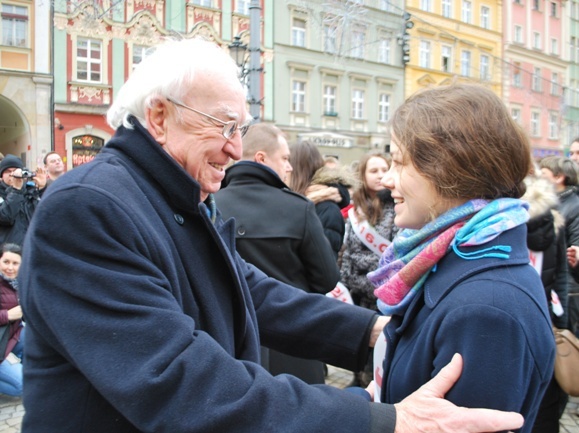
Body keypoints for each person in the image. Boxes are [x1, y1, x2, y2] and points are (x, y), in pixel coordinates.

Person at [19, 38, 525, 433]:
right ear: (159, 115)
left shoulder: (170, 195)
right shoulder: (89, 207)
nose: (235, 149)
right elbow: (179, 384)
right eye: (223, 125)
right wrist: (377, 420)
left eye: (241, 129)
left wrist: (370, 332)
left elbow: (250, 292)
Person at [365, 84, 554, 432]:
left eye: (399, 162)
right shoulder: (446, 264)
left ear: (448, 170)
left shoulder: (486, 311)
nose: (387, 180)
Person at [214, 122, 339, 384]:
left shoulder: (212, 207)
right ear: (261, 158)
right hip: (296, 341)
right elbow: (327, 279)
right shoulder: (299, 208)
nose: (290, 166)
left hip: (231, 344)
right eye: (284, 158)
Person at [340, 152, 398, 388]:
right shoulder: (355, 211)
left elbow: (394, 257)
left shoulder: (397, 207)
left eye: (384, 170)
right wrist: (344, 285)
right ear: (363, 176)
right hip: (357, 296)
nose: (380, 176)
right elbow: (347, 252)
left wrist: (364, 268)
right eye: (373, 171)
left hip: (385, 297)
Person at [522, 173, 569, 433]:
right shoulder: (554, 221)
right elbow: (560, 276)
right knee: (546, 398)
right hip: (548, 320)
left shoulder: (504, 224)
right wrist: (563, 324)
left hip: (517, 321)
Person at [289, 141, 355, 259]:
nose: (285, 168)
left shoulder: (327, 208)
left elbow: (324, 260)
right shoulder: (296, 201)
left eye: (286, 161)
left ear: (296, 169)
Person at [539, 156, 579, 337]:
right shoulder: (547, 206)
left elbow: (571, 253)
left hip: (569, 292)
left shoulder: (573, 207)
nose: (539, 178)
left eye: (543, 173)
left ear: (558, 177)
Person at [0, 155, 46, 245]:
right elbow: (5, 217)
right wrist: (16, 190)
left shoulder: (30, 191)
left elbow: (44, 217)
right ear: (1, 175)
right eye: (8, 171)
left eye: (15, 171)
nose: (12, 174)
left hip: (32, 249)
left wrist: (41, 189)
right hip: (8, 252)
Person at [0, 243, 24, 397]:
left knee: (41, 342)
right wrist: (7, 315)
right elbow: (11, 314)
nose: (10, 268)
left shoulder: (18, 283)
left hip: (11, 336)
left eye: (15, 263)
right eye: (6, 262)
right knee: (22, 385)